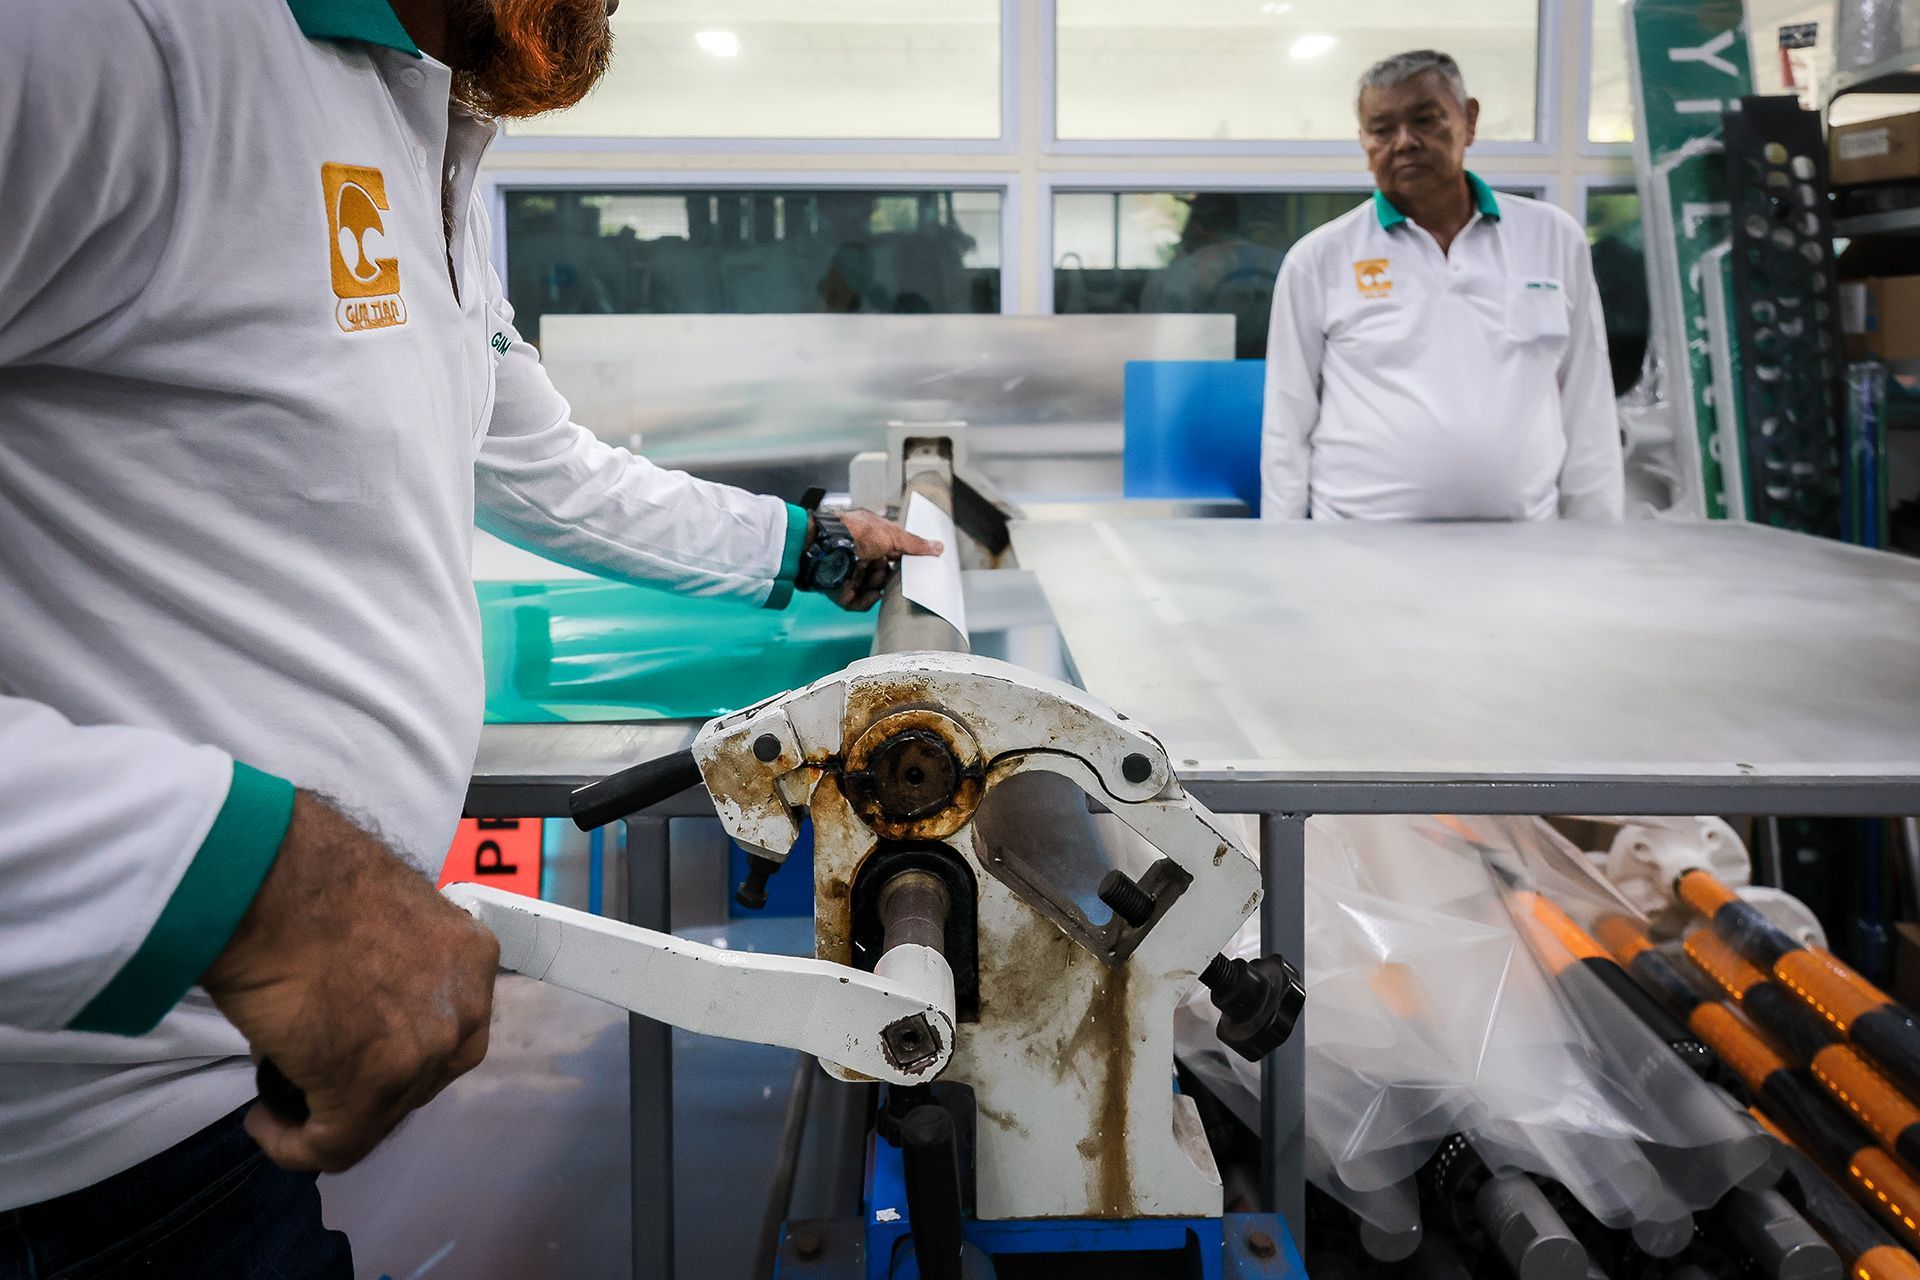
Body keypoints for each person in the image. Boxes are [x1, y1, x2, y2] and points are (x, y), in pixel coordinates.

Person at [0, 0, 935, 1274]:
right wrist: (245, 874)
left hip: (218, 1098)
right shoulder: (104, 39)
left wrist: (801, 546)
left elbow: (546, 465)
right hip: (66, 1150)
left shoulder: (417, 113)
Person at [1260, 50, 1625, 522]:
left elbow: (1586, 402)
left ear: (1469, 121)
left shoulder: (1552, 238)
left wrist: (1597, 546)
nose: (1404, 143)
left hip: (1528, 552)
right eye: (1382, 129)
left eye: (1425, 121)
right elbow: (1286, 423)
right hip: (1359, 551)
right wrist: (1284, 550)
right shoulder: (1319, 259)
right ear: (1364, 141)